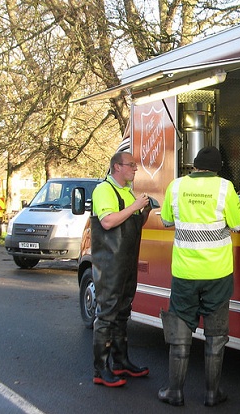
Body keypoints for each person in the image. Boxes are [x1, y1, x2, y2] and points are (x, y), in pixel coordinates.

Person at [158, 146, 240, 407]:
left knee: (180, 331)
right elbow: (238, 223)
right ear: (217, 168)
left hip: (185, 272)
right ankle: (211, 394)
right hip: (217, 273)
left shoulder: (176, 186)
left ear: (194, 165)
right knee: (216, 336)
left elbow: (165, 220)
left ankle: (175, 392)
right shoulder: (225, 188)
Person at [90, 152, 152, 387]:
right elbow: (107, 222)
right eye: (131, 165)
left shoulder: (126, 191)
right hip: (109, 264)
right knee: (107, 314)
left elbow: (130, 222)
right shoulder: (104, 190)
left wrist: (143, 211)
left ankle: (120, 361)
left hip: (126, 261)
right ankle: (101, 369)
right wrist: (135, 205)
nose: (135, 169)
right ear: (117, 167)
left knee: (123, 311)